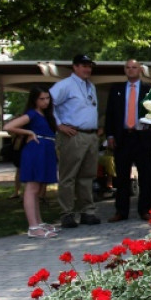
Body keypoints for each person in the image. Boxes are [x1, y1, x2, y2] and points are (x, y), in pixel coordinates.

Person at [49, 54, 102, 228]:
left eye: (89, 66)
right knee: (68, 175)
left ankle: (88, 211)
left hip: (90, 135)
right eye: (83, 66)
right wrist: (59, 125)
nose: (87, 69)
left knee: (87, 176)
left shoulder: (90, 86)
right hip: (73, 134)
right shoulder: (64, 85)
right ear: (75, 67)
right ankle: (67, 213)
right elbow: (48, 104)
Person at [3, 86, 60, 238]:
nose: (45, 101)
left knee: (38, 188)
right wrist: (28, 132)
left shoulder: (46, 115)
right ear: (35, 100)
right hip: (36, 151)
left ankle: (38, 222)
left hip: (46, 150)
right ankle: (33, 227)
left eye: (47, 98)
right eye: (42, 99)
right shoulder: (32, 114)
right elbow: (8, 126)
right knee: (32, 187)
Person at [104, 59, 151, 221]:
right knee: (121, 176)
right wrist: (110, 135)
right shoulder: (116, 90)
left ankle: (145, 210)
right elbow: (110, 114)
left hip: (143, 137)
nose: (131, 70)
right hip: (123, 137)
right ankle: (121, 211)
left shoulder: (150, 90)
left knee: (146, 176)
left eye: (134, 67)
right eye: (128, 67)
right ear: (125, 70)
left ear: (140, 70)